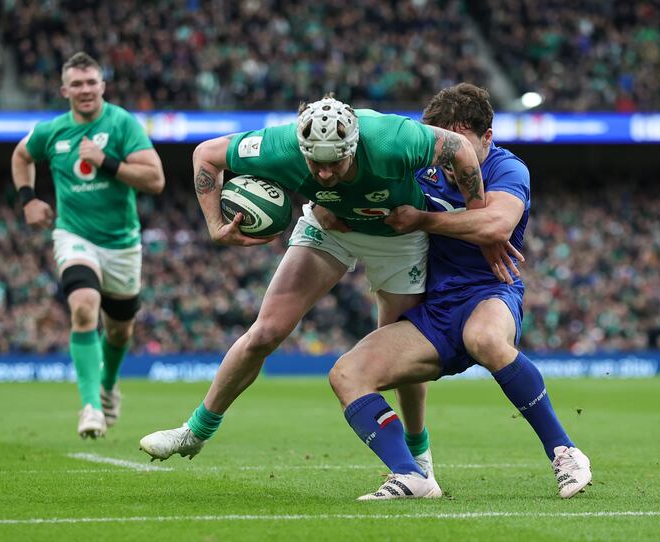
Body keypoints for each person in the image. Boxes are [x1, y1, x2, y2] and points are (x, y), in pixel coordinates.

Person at [139, 94, 486, 475]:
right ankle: (196, 430)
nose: (323, 174)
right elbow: (206, 154)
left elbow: (462, 150)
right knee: (266, 332)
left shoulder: (393, 138)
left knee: (397, 353)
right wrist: (214, 226)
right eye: (314, 163)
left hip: (398, 237)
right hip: (330, 229)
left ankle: (419, 454)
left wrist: (478, 223)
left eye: (334, 162)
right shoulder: (280, 144)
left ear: (353, 145)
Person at [328, 83, 592, 500]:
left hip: (490, 294)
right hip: (431, 314)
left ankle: (564, 450)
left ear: (487, 137)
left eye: (461, 145)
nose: (451, 159)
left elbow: (496, 226)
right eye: (443, 147)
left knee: (483, 337)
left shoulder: (508, 169)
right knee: (346, 373)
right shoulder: (422, 166)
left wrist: (421, 219)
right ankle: (411, 475)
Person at [11, 52, 165, 438]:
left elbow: (156, 179)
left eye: (91, 82)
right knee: (83, 307)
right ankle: (91, 408)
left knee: (119, 333)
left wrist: (107, 162)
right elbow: (21, 155)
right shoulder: (53, 131)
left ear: (102, 86)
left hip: (122, 244)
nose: (84, 90)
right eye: (76, 84)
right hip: (74, 235)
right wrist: (29, 198)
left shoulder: (122, 123)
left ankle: (108, 385)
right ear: (64, 90)